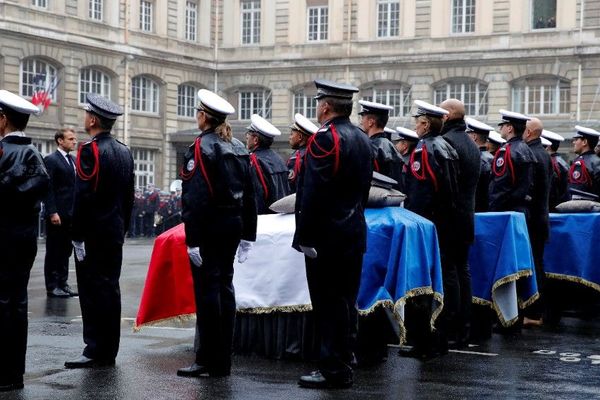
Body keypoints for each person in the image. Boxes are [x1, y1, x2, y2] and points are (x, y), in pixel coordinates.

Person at [294, 79, 372, 389]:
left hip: (327, 237)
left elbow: (313, 193)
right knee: (345, 302)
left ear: (326, 106)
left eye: (319, 103)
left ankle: (331, 368)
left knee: (328, 304)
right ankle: (343, 360)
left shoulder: (325, 139)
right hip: (352, 231)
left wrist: (306, 237)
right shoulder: (362, 138)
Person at [177, 89, 257, 378]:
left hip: (209, 229)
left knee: (208, 294)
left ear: (202, 116)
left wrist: (193, 239)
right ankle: (222, 360)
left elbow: (195, 197)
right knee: (225, 289)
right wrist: (249, 233)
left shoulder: (201, 147)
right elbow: (250, 194)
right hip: (232, 226)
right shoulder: (237, 146)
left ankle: (206, 359)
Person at [64, 93, 134, 369]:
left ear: (93, 119)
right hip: (113, 231)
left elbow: (83, 196)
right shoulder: (124, 150)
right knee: (110, 289)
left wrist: (77, 235)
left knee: (92, 291)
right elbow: (129, 197)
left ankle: (94, 349)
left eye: (86, 114)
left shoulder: (89, 150)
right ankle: (109, 350)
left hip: (93, 233)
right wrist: (123, 227)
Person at [0, 90, 49, 392]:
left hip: (3, 238)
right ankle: (13, 372)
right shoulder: (34, 154)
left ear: (3, 119)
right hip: (25, 239)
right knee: (17, 303)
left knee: (3, 304)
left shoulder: (4, 153)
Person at [402, 100, 459, 358]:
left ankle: (424, 342)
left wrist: (414, 220)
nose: (415, 125)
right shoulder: (447, 147)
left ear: (425, 124)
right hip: (446, 223)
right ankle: (438, 339)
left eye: (418, 121)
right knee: (440, 280)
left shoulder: (423, 150)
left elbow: (421, 193)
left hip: (427, 223)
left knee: (422, 283)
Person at [439, 99, 481, 348]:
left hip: (449, 219)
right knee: (462, 272)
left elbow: (446, 188)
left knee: (449, 274)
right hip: (466, 218)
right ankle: (464, 326)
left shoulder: (447, 143)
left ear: (447, 116)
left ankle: (450, 325)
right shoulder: (472, 144)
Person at [522, 118, 552, 326]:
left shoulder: (532, 154)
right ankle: (537, 311)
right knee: (537, 264)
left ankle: (533, 313)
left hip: (532, 218)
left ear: (530, 132)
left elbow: (529, 190)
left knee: (534, 266)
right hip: (541, 216)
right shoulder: (543, 153)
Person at [43, 127, 78, 298]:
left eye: (74, 138)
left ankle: (63, 283)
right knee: (54, 251)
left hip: (70, 214)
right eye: (70, 139)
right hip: (57, 215)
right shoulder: (51, 160)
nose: (74, 141)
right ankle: (52, 285)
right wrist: (52, 212)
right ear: (60, 141)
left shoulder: (73, 160)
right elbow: (48, 189)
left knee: (66, 250)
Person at [488, 110, 535, 214]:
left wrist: (493, 209)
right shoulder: (527, 149)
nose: (500, 128)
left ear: (510, 128)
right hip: (523, 208)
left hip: (506, 210)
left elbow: (500, 185)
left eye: (503, 125)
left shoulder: (506, 152)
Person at [246, 114, 290, 213]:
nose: (246, 137)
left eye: (248, 135)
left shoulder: (254, 160)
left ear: (255, 140)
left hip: (264, 218)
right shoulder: (278, 158)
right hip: (281, 215)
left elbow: (257, 196)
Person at [358, 100, 403, 190]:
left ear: (371, 122)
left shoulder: (370, 147)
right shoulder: (392, 146)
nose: (361, 122)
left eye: (363, 118)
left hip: (374, 198)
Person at [465, 117, 495, 212]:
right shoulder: (492, 157)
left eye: (467, 134)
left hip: (477, 208)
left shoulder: (476, 159)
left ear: (474, 137)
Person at [287, 113, 318, 193]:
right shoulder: (314, 152)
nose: (289, 137)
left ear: (300, 137)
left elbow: (292, 186)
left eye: (291, 134)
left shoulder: (296, 158)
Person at [567, 125, 600, 199]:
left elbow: (577, 194)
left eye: (576, 140)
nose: (573, 142)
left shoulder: (580, 164)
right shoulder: (597, 160)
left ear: (584, 142)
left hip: (584, 208)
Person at [541, 130, 569, 211]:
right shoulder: (562, 161)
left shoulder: (551, 162)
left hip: (553, 206)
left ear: (548, 146)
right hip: (561, 204)